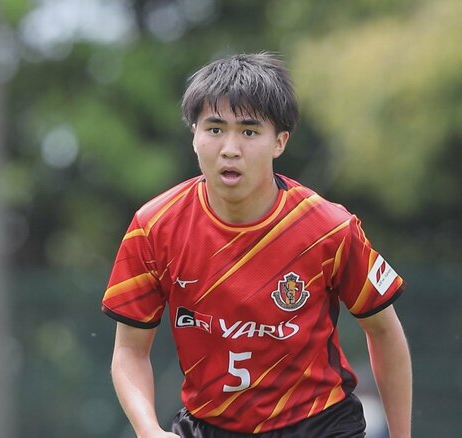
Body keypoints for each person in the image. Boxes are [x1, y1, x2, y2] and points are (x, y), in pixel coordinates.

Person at [101, 53, 412, 437]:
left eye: (249, 132)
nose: (230, 148)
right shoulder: (153, 228)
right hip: (209, 426)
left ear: (279, 142)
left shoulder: (330, 228)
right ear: (194, 135)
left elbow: (384, 332)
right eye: (215, 129)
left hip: (320, 426)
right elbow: (129, 351)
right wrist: (149, 430)